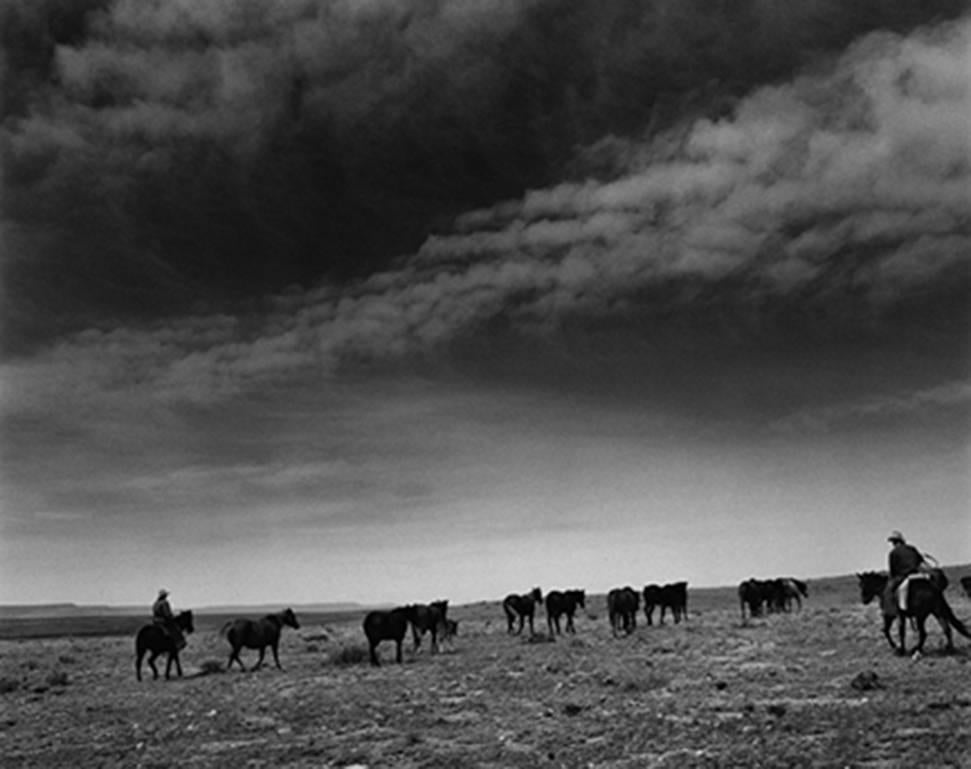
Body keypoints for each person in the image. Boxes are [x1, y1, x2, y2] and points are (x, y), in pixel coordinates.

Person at [886, 531, 928, 612]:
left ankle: (894, 610)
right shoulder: (912, 548)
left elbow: (893, 570)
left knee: (889, 590)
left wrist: (892, 577)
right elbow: (920, 560)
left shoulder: (893, 553)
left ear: (895, 542)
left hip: (904, 576)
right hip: (918, 574)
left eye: (893, 542)